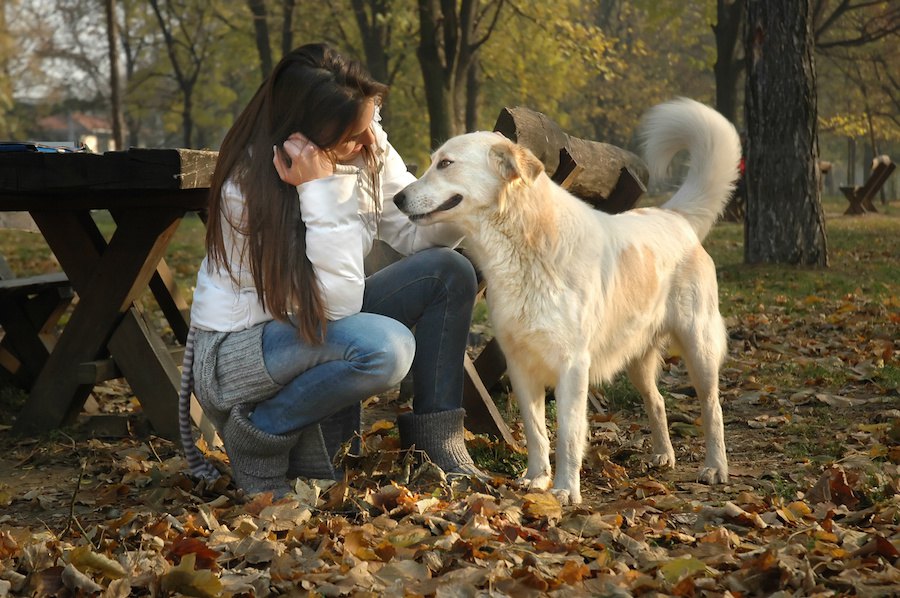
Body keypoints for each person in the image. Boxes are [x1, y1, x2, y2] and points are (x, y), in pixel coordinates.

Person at [177, 42, 484, 497]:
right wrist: (322, 191)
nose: (367, 145)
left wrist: (463, 200)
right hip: (239, 353)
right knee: (387, 349)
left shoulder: (363, 143)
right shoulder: (246, 189)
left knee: (450, 271)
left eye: (368, 128)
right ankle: (259, 435)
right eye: (352, 137)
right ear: (301, 140)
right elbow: (337, 306)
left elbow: (416, 235)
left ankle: (435, 446)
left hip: (309, 326)